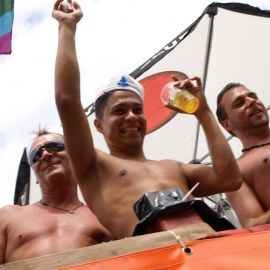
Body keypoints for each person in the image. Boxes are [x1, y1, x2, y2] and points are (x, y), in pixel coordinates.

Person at [53, 0, 242, 239]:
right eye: (120, 111)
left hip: (208, 253)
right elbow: (67, 101)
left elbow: (230, 178)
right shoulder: (93, 166)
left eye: (137, 110)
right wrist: (67, 27)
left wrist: (203, 112)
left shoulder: (174, 167)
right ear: (98, 125)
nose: (131, 116)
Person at [0, 129, 112, 264]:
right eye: (37, 155)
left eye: (54, 147)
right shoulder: (9, 216)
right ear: (35, 175)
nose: (46, 154)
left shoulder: (103, 218)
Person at [216, 82, 270, 228]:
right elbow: (252, 224)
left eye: (253, 96)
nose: (252, 101)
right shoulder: (235, 171)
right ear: (227, 125)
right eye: (239, 103)